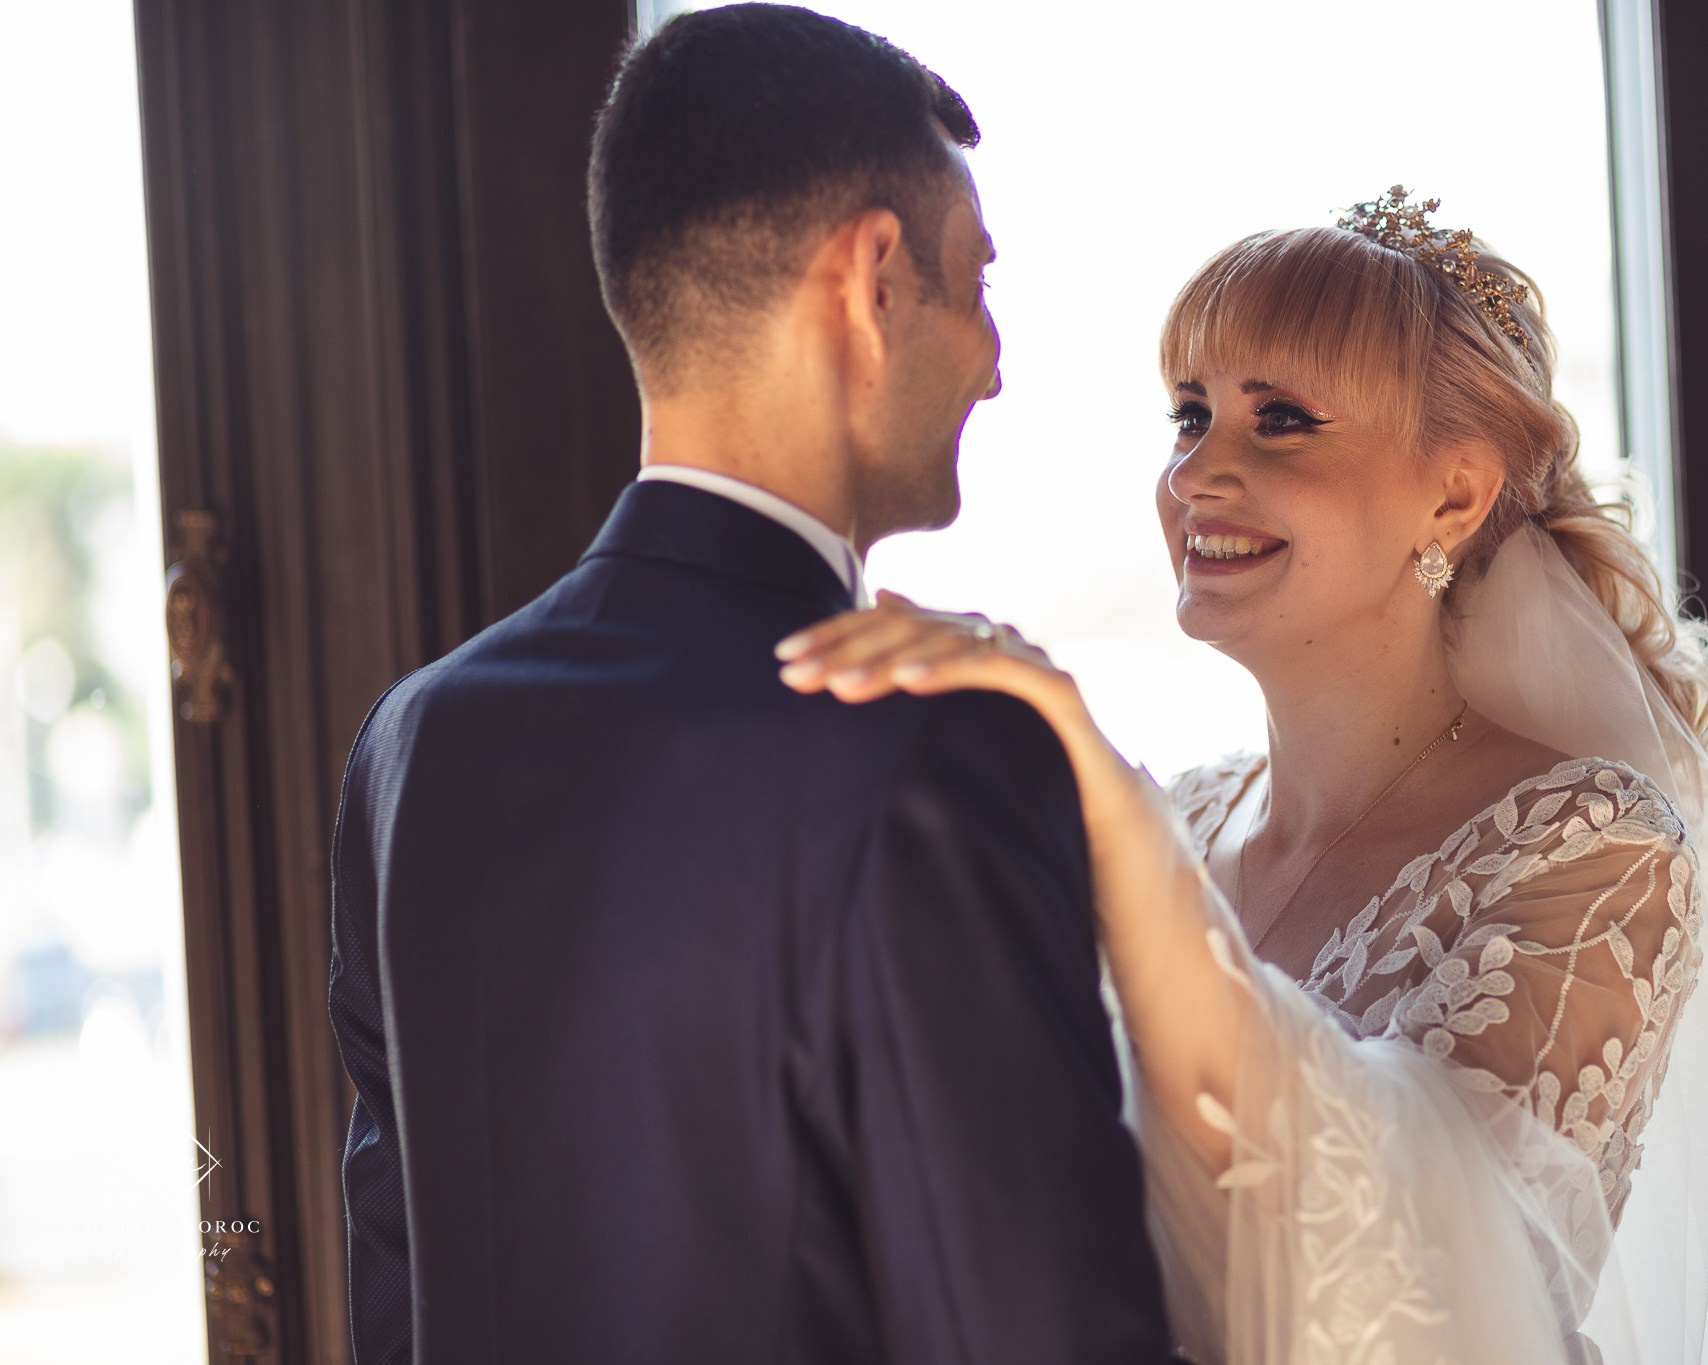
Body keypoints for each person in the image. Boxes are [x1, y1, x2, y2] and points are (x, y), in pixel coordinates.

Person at [777, 189, 1708, 1363]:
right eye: (1189, 415)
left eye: (1278, 420)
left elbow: (1441, 1284)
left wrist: (1097, 797)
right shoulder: (1181, 814)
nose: (1196, 476)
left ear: (1453, 494)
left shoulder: (1592, 849)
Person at [325, 6, 1171, 1361]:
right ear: (874, 279)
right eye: (978, 283)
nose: (996, 364)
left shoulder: (415, 743)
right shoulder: (934, 752)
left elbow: (394, 1295)